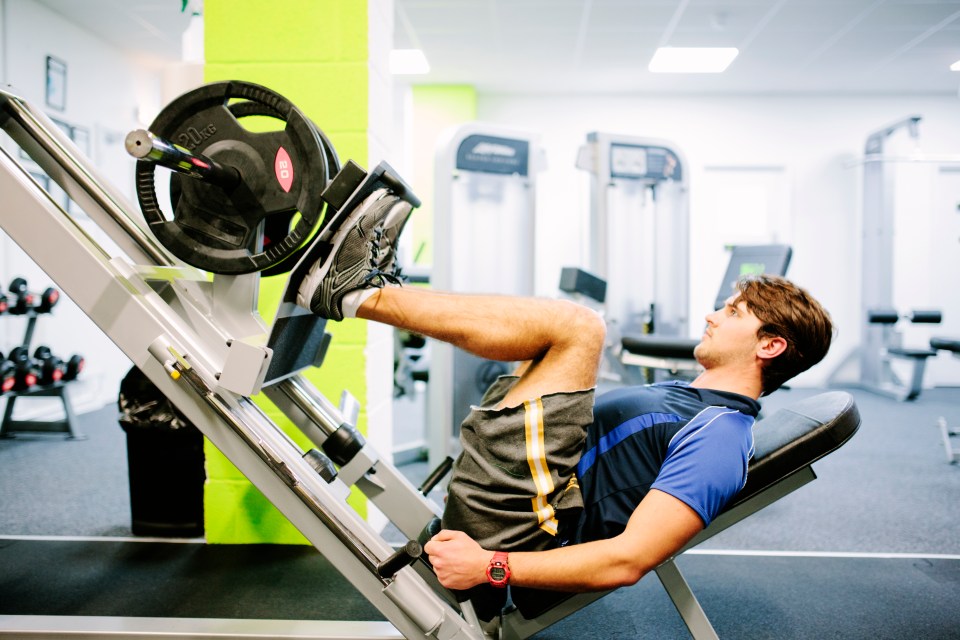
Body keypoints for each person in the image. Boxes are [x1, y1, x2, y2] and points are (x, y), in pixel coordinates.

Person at [295, 188, 833, 608]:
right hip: (525, 491)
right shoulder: (697, 397)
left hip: (525, 525)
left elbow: (628, 561)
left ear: (771, 345)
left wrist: (492, 567)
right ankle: (370, 286)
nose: (713, 315)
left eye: (734, 312)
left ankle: (356, 291)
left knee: (579, 327)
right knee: (557, 336)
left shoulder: (720, 437)